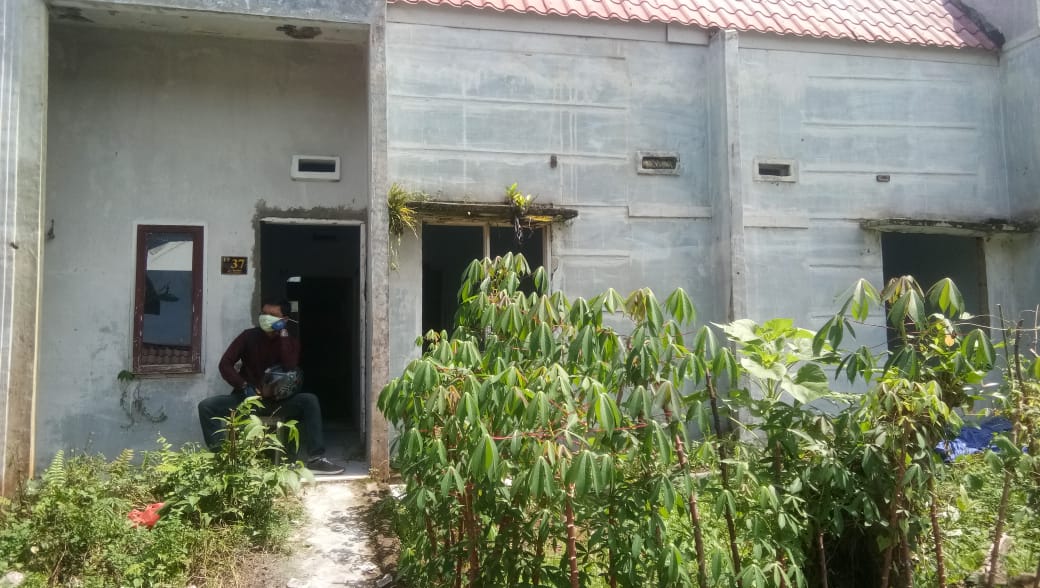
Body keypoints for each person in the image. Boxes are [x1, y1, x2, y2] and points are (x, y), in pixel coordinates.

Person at [197, 298, 344, 475]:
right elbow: (225, 364)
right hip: (247, 400)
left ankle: (316, 459)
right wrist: (243, 385)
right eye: (264, 313)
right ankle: (224, 459)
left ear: (284, 319)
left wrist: (283, 334)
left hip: (278, 403)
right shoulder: (248, 336)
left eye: (272, 315)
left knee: (309, 400)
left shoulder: (290, 341)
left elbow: (289, 365)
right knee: (206, 406)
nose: (265, 317)